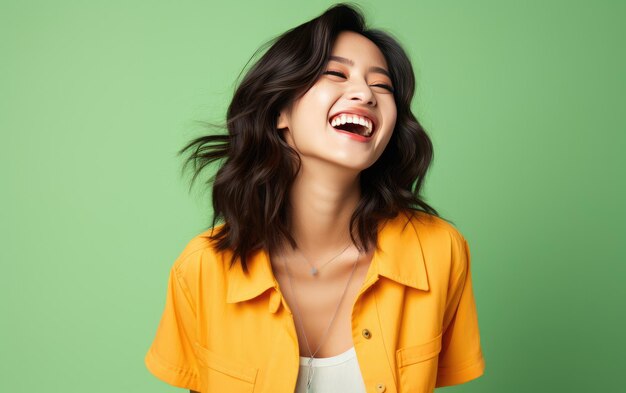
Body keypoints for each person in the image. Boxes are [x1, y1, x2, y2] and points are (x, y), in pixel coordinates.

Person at [144, 3, 485, 393]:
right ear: (280, 112)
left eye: (382, 85)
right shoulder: (202, 269)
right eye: (336, 73)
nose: (365, 93)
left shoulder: (439, 252)